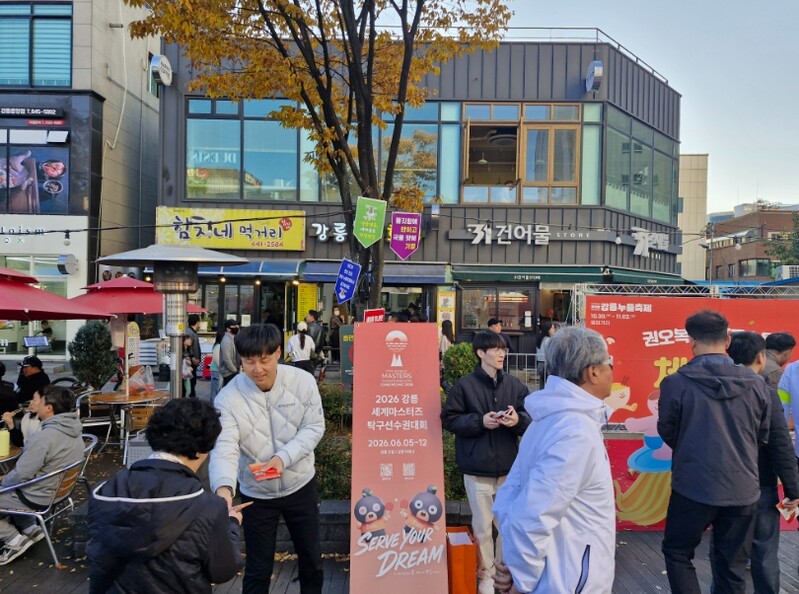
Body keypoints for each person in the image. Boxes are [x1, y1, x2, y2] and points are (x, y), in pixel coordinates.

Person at [492, 326, 616, 594]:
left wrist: (515, 568)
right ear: (592, 372)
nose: (612, 371)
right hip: (567, 578)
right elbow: (533, 513)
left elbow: (510, 495)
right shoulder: (575, 430)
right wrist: (523, 580)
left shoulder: (551, 420)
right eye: (609, 364)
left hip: (560, 570)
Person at [658, 310, 771, 594]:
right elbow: (762, 433)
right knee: (733, 564)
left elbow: (669, 430)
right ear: (728, 339)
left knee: (678, 552)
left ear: (691, 341)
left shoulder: (675, 383)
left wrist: (692, 447)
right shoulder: (757, 383)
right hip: (743, 487)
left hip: (692, 484)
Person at [210, 323, 325, 594]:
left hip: (301, 484)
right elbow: (224, 445)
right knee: (258, 567)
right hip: (256, 493)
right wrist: (224, 489)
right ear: (241, 359)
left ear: (278, 353)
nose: (257, 369)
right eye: (249, 361)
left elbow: (314, 427)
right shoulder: (228, 398)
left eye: (264, 359)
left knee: (311, 558)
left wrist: (283, 458)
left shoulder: (302, 381)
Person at [87, 398, 245, 593]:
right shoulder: (208, 507)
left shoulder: (105, 491)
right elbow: (224, 570)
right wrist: (231, 524)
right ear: (204, 447)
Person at [441, 331, 531, 594]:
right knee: (482, 528)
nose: (501, 354)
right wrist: (480, 421)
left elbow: (531, 418)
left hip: (507, 470)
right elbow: (449, 419)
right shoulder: (464, 386)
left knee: (506, 527)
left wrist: (517, 421)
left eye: (503, 349)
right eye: (495, 349)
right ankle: (486, 576)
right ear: (480, 353)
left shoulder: (514, 385)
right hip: (476, 468)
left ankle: (503, 574)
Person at [717, 332, 799, 594]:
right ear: (761, 357)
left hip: (723, 485)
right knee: (764, 552)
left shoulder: (713, 389)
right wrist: (793, 489)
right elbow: (780, 445)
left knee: (726, 552)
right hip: (760, 482)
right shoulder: (765, 393)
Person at [0, 385, 84, 565]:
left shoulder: (45, 437)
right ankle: (31, 528)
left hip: (37, 495)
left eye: (36, 399)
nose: (31, 402)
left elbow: (21, 475)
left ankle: (14, 540)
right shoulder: (72, 428)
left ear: (49, 407)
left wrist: (4, 482)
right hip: (55, 490)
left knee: (9, 484)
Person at [219, 319, 241, 387]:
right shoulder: (226, 341)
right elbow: (226, 359)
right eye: (234, 326)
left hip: (232, 371)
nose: (237, 328)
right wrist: (234, 370)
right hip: (229, 372)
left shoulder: (233, 339)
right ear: (228, 329)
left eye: (237, 326)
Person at [535, 322, 557, 389]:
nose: (554, 330)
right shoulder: (548, 340)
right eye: (552, 328)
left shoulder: (540, 339)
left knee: (542, 383)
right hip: (546, 364)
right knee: (548, 383)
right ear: (548, 329)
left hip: (540, 363)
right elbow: (550, 352)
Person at [186, 314, 202, 398]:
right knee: (192, 379)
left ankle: (192, 394)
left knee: (193, 379)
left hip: (194, 360)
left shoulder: (192, 332)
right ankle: (192, 395)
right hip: (192, 361)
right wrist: (193, 358)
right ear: (197, 322)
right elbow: (189, 347)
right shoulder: (189, 332)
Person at [209, 326, 225, 405]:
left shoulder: (220, 345)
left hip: (218, 370)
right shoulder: (218, 346)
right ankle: (213, 408)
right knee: (215, 391)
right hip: (217, 371)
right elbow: (217, 360)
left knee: (217, 390)